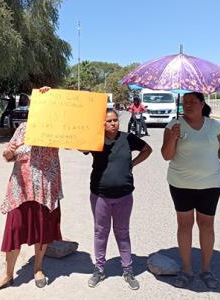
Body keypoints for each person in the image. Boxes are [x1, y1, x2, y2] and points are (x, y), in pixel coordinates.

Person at [0, 87, 63, 294]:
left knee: (42, 231)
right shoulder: (22, 129)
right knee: (13, 230)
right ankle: (8, 274)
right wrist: (8, 152)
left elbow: (79, 138)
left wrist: (51, 94)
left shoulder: (57, 129)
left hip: (45, 190)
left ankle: (38, 269)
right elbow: (8, 155)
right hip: (20, 191)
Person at [161, 92, 220, 289]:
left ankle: (206, 269)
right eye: (185, 102)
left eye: (193, 101)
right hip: (180, 184)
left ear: (202, 104)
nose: (188, 105)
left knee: (206, 225)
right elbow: (166, 156)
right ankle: (186, 269)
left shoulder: (214, 127)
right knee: (184, 225)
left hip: (210, 185)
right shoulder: (173, 126)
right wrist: (173, 137)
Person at [85, 109, 152, 290]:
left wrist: (133, 163)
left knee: (122, 232)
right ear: (102, 124)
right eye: (109, 121)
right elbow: (78, 145)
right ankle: (99, 269)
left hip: (124, 196)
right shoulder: (95, 140)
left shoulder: (127, 138)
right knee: (101, 232)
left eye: (115, 120)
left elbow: (147, 149)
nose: (113, 123)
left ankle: (128, 269)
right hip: (100, 195)